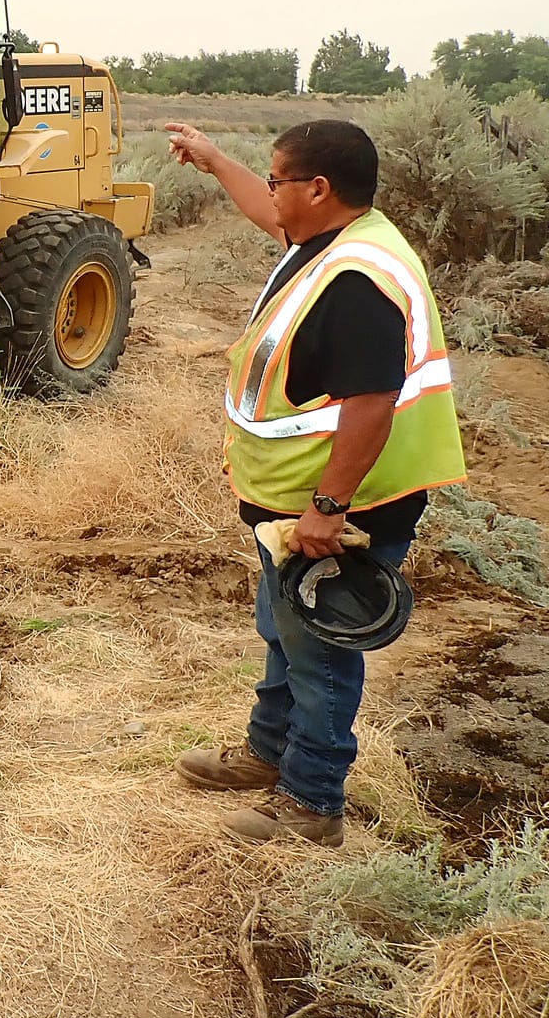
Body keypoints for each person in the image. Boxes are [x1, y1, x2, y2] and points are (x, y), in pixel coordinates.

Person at [162, 118, 465, 846]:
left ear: (319, 188)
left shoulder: (359, 280)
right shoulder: (334, 240)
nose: (270, 196)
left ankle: (311, 802)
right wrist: (213, 160)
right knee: (286, 627)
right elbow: (273, 216)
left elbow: (370, 404)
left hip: (344, 506)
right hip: (295, 503)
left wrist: (327, 510)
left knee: (321, 650)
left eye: (277, 180)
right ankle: (268, 753)